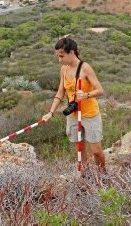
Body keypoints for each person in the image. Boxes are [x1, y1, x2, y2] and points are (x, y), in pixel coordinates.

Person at [42, 37, 106, 170]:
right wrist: (51, 112)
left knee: (96, 151)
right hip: (72, 114)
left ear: (71, 52)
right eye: (58, 57)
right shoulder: (63, 69)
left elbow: (100, 90)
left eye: (62, 56)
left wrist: (86, 95)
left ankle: (103, 175)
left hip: (89, 113)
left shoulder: (85, 68)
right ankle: (86, 175)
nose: (60, 60)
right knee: (80, 149)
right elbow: (60, 93)